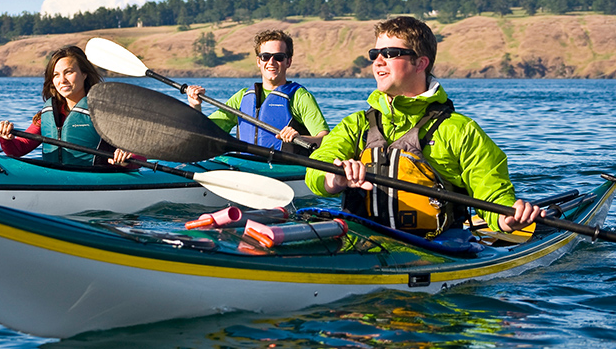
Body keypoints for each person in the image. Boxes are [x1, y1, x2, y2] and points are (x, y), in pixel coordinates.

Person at [304, 16, 543, 236]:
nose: (378, 61)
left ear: (420, 63)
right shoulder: (355, 125)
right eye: (375, 53)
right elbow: (315, 169)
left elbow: (492, 195)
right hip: (364, 243)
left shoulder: (460, 131)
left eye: (390, 53)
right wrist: (334, 178)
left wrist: (506, 218)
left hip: (438, 248)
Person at [185, 29, 329, 153]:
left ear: (288, 62)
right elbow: (203, 132)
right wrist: (195, 106)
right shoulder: (241, 97)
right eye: (265, 57)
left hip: (283, 170)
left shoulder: (299, 97)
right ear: (258, 61)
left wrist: (301, 138)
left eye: (278, 57)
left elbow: (325, 139)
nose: (271, 62)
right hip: (245, 167)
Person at [0, 45, 133, 167]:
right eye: (56, 75)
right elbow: (18, 149)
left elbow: (138, 154)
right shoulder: (49, 114)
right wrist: (6, 138)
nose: (62, 80)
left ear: (84, 74)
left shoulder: (104, 113)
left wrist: (126, 159)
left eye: (69, 72)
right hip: (57, 179)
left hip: (98, 180)